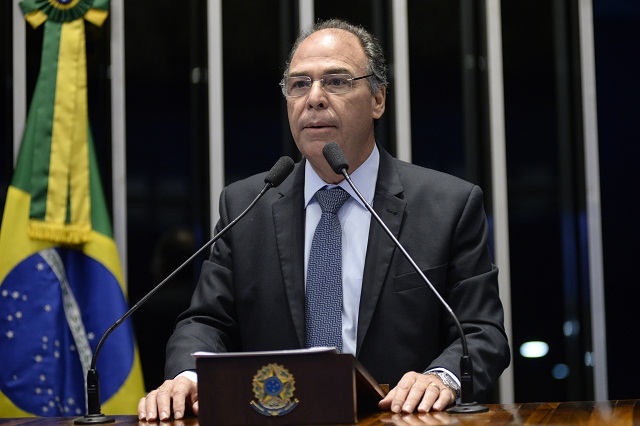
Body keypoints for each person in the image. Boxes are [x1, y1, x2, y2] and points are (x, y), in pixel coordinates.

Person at [138, 18, 510, 421]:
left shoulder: (446, 205)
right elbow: (206, 320)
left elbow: (480, 332)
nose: (314, 98)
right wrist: (188, 376)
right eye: (299, 84)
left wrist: (441, 378)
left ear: (378, 99)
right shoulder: (247, 206)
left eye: (336, 81)